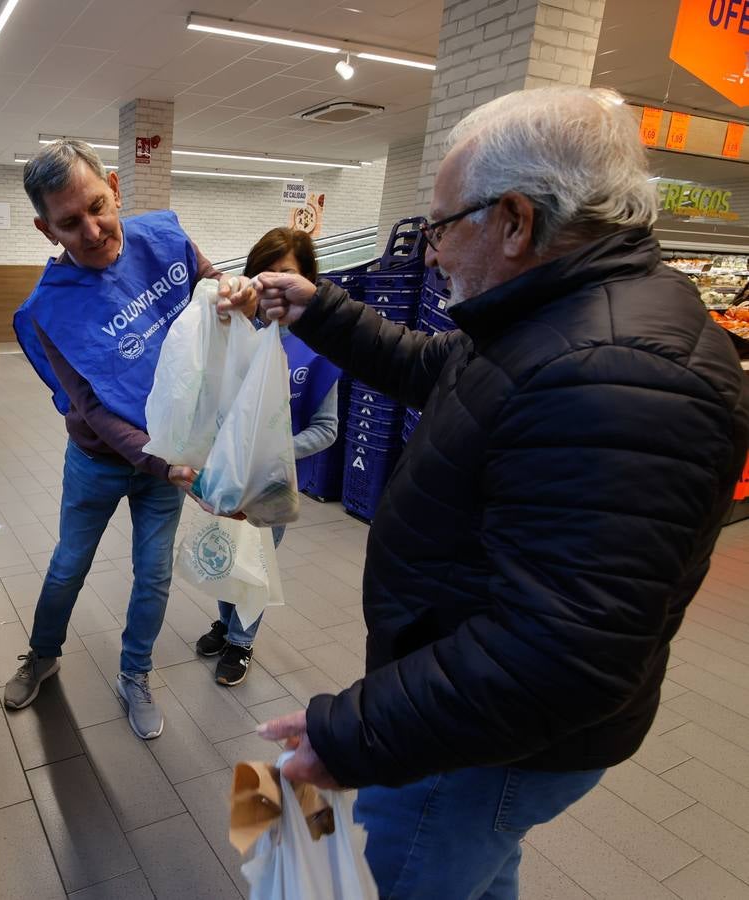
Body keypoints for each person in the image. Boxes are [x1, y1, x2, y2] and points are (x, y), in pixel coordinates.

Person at [244, 85, 749, 898]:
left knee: (415, 875)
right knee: (479, 873)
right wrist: (320, 309)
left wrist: (354, 732)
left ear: (514, 220)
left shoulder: (615, 370)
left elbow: (560, 655)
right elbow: (437, 369)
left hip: (484, 748)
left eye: (444, 226)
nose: (433, 252)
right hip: (476, 720)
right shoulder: (559, 316)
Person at [5, 139, 257, 740]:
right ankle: (42, 654)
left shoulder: (165, 241)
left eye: (98, 206)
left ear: (114, 188)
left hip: (172, 451)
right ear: (47, 230)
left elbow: (213, 289)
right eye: (70, 222)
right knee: (69, 565)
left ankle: (135, 674)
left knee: (153, 574)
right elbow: (89, 407)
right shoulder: (51, 310)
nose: (92, 231)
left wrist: (238, 292)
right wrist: (160, 460)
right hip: (100, 461)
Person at [195, 227, 340, 686]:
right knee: (224, 554)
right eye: (266, 272)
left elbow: (327, 430)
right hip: (224, 475)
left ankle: (241, 642)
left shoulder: (319, 349)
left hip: (272, 482)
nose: (274, 282)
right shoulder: (239, 334)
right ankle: (225, 622)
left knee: (255, 563)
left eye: (287, 274)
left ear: (306, 280)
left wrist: (272, 451)